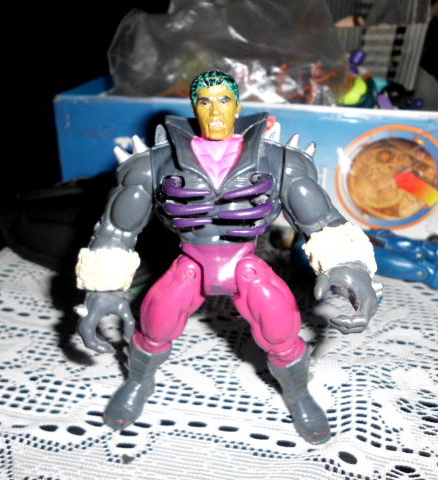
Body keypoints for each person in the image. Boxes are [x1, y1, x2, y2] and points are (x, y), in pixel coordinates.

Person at [75, 70, 379, 444]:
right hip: (191, 263)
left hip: (245, 264)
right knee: (154, 325)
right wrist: (103, 287)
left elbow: (323, 222)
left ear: (236, 106)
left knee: (282, 332)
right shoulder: (154, 164)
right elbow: (118, 229)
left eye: (223, 101)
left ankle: (299, 393)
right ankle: (138, 381)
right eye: (205, 102)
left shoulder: (279, 161)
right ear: (194, 108)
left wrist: (348, 264)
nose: (215, 111)